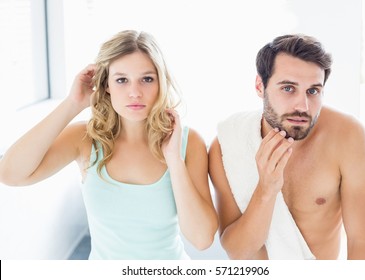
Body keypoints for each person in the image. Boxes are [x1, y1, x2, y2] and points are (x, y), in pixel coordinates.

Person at [0, 30, 218, 260]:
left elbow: (202, 239)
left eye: (147, 79)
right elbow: (10, 174)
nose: (135, 92)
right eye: (121, 80)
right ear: (106, 85)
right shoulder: (85, 138)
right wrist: (72, 104)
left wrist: (174, 160)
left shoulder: (186, 141)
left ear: (161, 83)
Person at [208, 34, 365, 260]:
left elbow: (362, 241)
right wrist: (266, 189)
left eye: (313, 91)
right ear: (260, 86)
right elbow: (237, 252)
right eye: (288, 88)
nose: (303, 106)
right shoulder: (229, 144)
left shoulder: (347, 137)